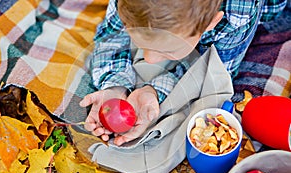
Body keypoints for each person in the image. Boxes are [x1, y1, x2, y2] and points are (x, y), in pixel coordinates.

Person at [80, 0, 287, 146]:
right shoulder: (132, 3)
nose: (149, 59)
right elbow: (111, 37)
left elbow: (212, 70)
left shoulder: (238, 14)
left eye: (168, 51)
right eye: (139, 42)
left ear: (211, 23)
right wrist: (114, 85)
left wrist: (155, 90)